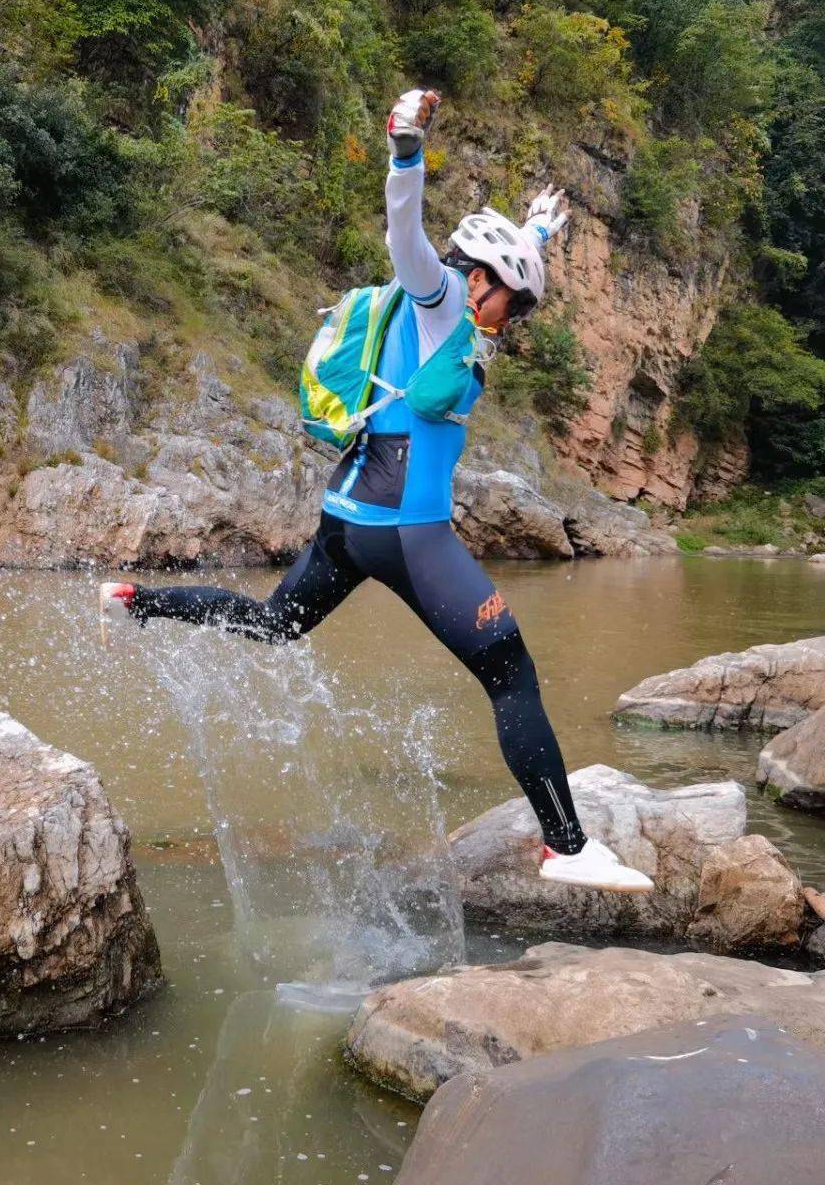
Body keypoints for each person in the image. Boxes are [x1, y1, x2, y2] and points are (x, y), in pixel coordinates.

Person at [99, 88, 653, 894]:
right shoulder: (434, 298)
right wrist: (405, 146)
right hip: (409, 532)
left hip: (349, 518)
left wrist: (535, 229)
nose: (509, 321)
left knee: (271, 623)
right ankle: (566, 848)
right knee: (509, 670)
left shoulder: (452, 315)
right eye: (510, 302)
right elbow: (407, 232)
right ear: (480, 281)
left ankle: (136, 601)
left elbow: (477, 281)